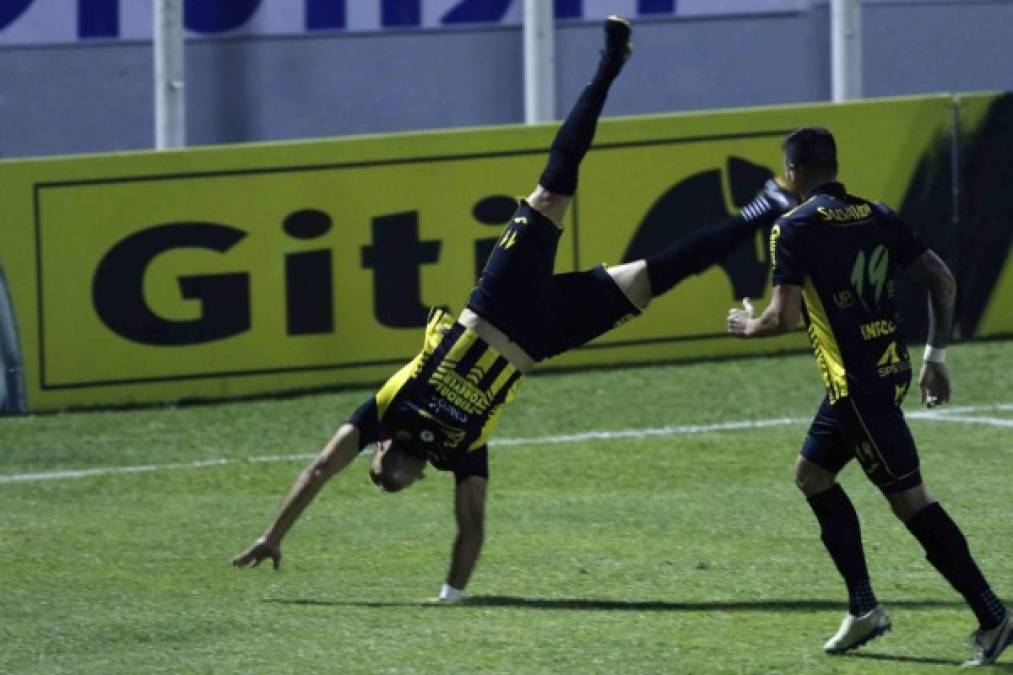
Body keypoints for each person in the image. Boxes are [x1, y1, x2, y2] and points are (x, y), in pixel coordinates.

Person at [233, 16, 795, 603]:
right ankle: (765, 206)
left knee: (555, 192)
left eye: (393, 476)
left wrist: (276, 534)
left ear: (383, 453)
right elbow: (454, 519)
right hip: (540, 335)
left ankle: (609, 66)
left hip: (498, 303)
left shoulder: (389, 412)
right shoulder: (455, 448)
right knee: (654, 277)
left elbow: (336, 476)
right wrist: (448, 596)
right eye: (398, 478)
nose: (399, 476)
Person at [727, 126, 1010, 666]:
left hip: (858, 389)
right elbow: (941, 279)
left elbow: (781, 318)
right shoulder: (876, 214)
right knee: (811, 475)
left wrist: (746, 325)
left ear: (791, 175)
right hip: (884, 370)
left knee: (912, 503)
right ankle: (863, 608)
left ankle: (993, 616)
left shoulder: (791, 229)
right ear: (835, 167)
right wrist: (936, 357)